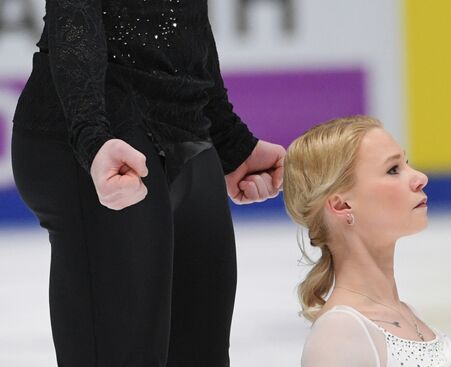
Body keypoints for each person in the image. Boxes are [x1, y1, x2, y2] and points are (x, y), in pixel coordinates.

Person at [10, 1, 285, 366]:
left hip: (184, 124)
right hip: (99, 130)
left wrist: (228, 137)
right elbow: (74, 14)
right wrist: (92, 137)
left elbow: (185, 17)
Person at [282, 116, 451, 367]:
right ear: (341, 204)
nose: (420, 177)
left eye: (407, 164)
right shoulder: (339, 334)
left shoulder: (407, 314)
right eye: (393, 170)